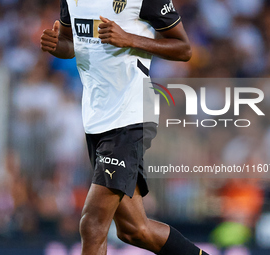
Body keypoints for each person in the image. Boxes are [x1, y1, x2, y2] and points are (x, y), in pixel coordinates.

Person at [41, 0, 209, 254]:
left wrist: (129, 38)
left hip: (130, 115)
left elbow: (184, 49)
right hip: (96, 119)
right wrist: (57, 45)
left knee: (92, 224)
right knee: (134, 230)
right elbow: (70, 43)